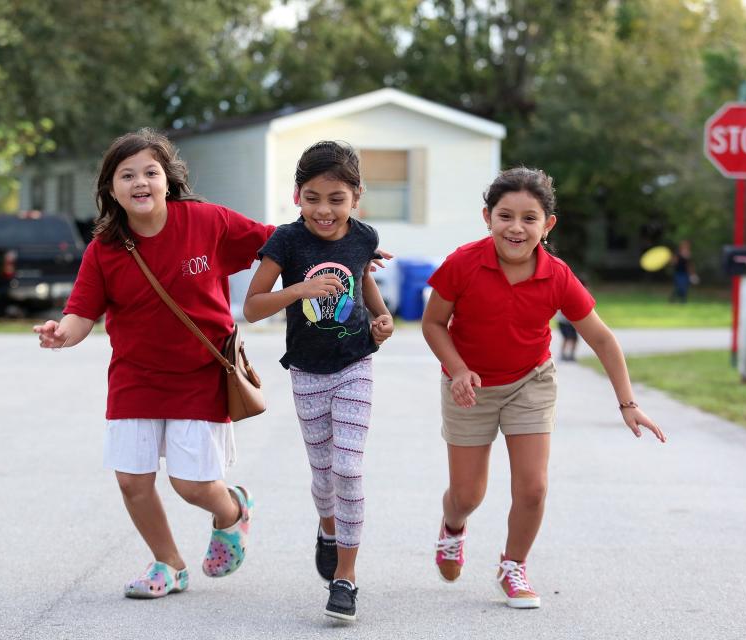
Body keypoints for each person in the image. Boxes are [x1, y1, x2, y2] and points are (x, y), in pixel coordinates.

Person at [32, 128, 275, 599]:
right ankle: (169, 564)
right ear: (110, 188)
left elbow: (278, 244)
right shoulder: (104, 249)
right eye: (127, 175)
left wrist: (345, 249)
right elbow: (82, 312)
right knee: (132, 481)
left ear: (168, 180)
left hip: (199, 375)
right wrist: (62, 333)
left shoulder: (208, 222)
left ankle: (231, 512)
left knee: (192, 484)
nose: (139, 182)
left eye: (150, 172)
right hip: (135, 376)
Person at [421, 167, 666, 609]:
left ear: (547, 224)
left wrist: (627, 403)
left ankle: (513, 565)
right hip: (469, 387)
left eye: (529, 218)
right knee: (467, 494)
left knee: (533, 488)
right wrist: (456, 369)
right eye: (505, 216)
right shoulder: (463, 263)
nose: (516, 227)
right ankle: (453, 527)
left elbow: (602, 338)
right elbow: (433, 323)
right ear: (487, 217)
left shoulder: (557, 276)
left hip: (530, 383)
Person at [243, 141, 394, 622]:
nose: (323, 209)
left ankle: (346, 579)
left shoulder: (363, 236)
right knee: (324, 471)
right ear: (296, 196)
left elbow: (361, 278)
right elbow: (251, 307)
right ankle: (328, 529)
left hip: (355, 363)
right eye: (312, 198)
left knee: (348, 468)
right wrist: (302, 288)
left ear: (356, 197)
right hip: (308, 371)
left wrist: (383, 316)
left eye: (336, 199)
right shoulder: (287, 242)